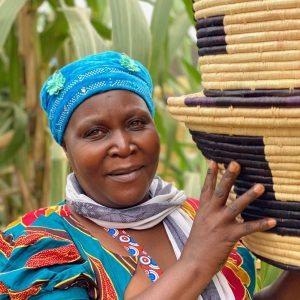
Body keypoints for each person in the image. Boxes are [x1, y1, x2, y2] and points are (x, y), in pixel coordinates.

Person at [0, 51, 299, 299]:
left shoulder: (201, 218)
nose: (123, 145)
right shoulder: (42, 242)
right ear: (67, 149)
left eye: (136, 123)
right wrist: (196, 262)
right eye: (95, 132)